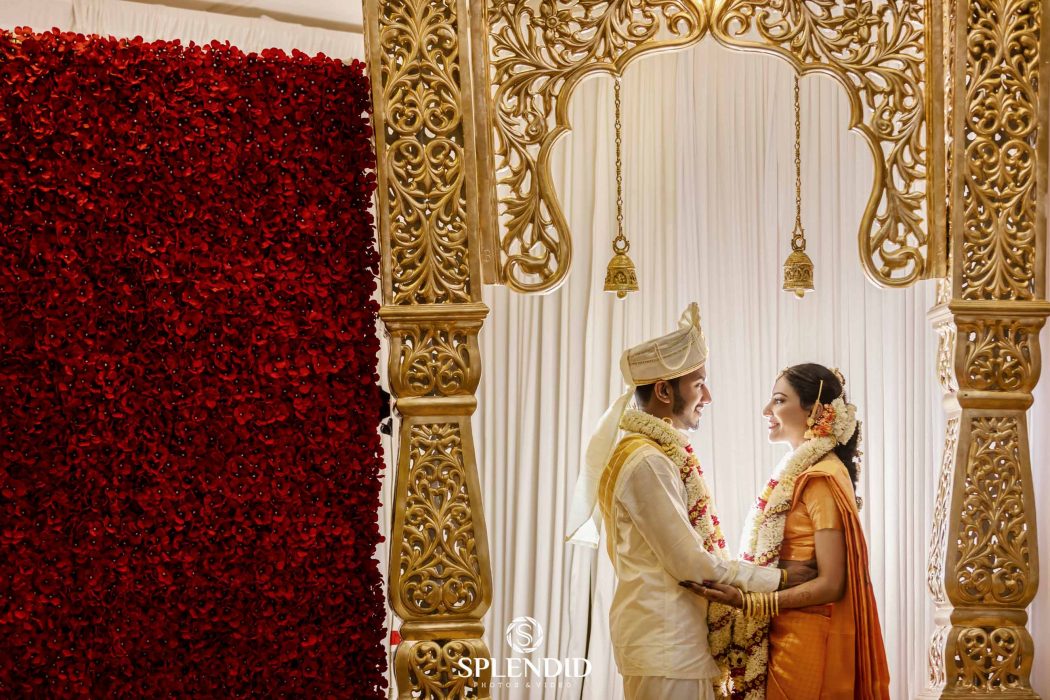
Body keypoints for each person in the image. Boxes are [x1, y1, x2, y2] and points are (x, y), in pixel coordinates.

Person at [567, 305, 814, 700]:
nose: (708, 397)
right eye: (699, 385)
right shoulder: (647, 461)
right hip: (667, 642)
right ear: (664, 391)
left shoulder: (649, 453)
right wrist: (780, 579)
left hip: (671, 642)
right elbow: (691, 563)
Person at [684, 363, 890, 699]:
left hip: (805, 639)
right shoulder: (794, 475)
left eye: (779, 400)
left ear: (816, 411)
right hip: (783, 629)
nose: (767, 410)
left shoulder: (820, 479)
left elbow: (832, 584)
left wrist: (750, 603)